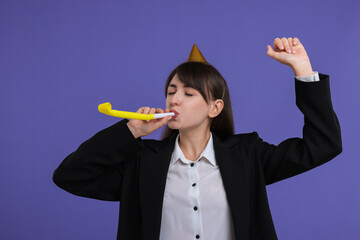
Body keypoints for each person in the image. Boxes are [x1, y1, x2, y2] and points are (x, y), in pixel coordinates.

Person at [53, 37, 342, 240]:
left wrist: (303, 71)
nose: (174, 99)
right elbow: (69, 176)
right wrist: (129, 133)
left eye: (188, 93)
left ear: (214, 108)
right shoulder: (141, 162)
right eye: (171, 91)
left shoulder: (247, 155)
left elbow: (323, 145)